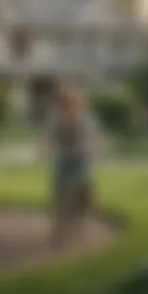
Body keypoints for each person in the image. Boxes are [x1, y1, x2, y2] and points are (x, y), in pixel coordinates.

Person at [39, 83, 104, 248]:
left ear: (78, 105)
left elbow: (95, 136)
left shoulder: (85, 119)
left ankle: (81, 225)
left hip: (80, 159)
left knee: (82, 191)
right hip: (63, 160)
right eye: (63, 106)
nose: (67, 110)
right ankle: (59, 228)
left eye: (71, 105)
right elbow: (47, 136)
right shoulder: (55, 119)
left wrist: (96, 151)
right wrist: (42, 149)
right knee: (60, 192)